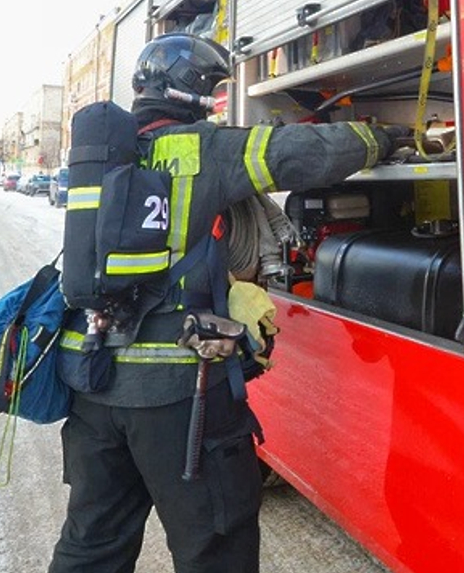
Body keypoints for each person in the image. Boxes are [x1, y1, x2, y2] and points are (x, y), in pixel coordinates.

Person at [48, 32, 402, 573]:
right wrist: (385, 135)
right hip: (180, 400)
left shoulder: (103, 156)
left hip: (92, 387)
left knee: (92, 545)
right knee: (217, 547)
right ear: (194, 91)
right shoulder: (204, 148)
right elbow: (304, 154)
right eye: (213, 88)